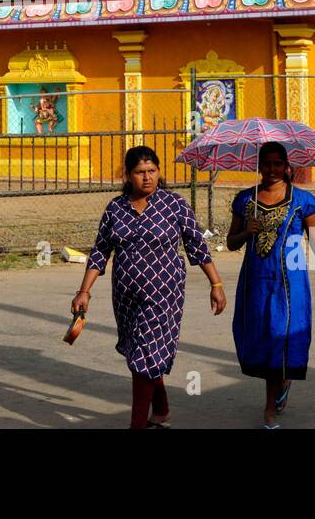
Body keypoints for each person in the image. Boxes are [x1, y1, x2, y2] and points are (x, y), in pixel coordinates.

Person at [72, 146, 227, 429]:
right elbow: (99, 251)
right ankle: (162, 407)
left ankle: (137, 424)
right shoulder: (115, 209)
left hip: (163, 294)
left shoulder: (174, 205)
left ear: (159, 172)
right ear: (128, 175)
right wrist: (85, 291)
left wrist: (215, 283)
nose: (147, 178)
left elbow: (197, 246)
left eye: (152, 171)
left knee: (144, 354)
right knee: (141, 351)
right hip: (126, 295)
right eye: (140, 173)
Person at [227, 141, 315, 429]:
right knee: (263, 340)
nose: (273, 169)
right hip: (256, 283)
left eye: (278, 163)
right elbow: (230, 243)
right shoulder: (244, 200)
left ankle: (269, 409)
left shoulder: (303, 201)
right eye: (267, 163)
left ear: (287, 166)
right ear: (259, 165)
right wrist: (245, 232)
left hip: (291, 285)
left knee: (282, 338)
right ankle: (281, 383)